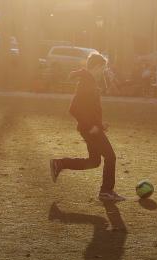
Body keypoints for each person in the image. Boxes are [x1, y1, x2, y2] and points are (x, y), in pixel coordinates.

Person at [49, 53, 125, 202]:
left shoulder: (89, 82)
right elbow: (73, 108)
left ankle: (60, 163)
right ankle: (106, 191)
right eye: (103, 68)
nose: (103, 71)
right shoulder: (86, 83)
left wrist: (99, 124)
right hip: (90, 130)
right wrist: (92, 126)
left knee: (94, 161)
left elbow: (89, 109)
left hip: (92, 128)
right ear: (96, 67)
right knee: (110, 157)